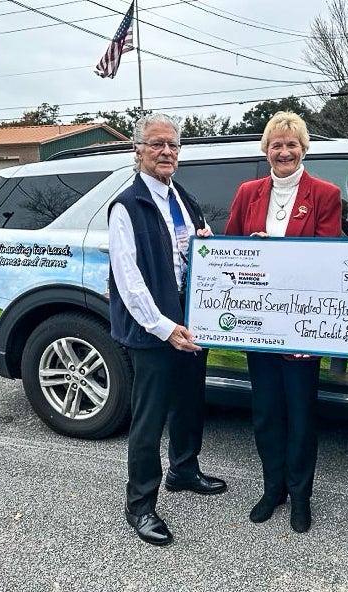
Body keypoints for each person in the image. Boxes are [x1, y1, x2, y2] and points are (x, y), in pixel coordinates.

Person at [108, 113, 227, 546]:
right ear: (138, 150)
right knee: (149, 417)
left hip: (190, 322)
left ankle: (184, 469)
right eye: (157, 144)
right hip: (154, 331)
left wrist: (208, 245)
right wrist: (162, 327)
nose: (166, 152)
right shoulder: (128, 205)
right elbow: (128, 276)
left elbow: (190, 253)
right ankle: (139, 505)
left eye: (173, 145)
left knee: (189, 402)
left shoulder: (184, 199)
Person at [224, 111, 342, 533]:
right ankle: (272, 488)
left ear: (303, 148)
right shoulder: (248, 192)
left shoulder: (325, 194)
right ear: (266, 150)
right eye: (277, 144)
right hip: (258, 323)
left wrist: (278, 250)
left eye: (292, 144)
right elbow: (230, 249)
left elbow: (329, 256)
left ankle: (300, 495)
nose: (285, 151)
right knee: (267, 413)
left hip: (302, 325)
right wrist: (248, 249)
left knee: (301, 414)